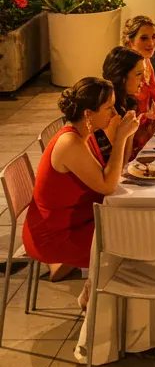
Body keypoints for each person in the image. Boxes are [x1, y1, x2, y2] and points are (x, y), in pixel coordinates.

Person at [23, 78, 139, 291]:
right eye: (109, 108)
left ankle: (99, 294)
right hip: (54, 236)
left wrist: (127, 137)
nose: (114, 113)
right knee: (132, 238)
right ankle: (101, 299)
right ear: (88, 114)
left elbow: (115, 173)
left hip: (78, 221)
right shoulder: (70, 143)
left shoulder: (85, 134)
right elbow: (107, 186)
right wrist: (120, 138)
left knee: (134, 224)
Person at [100, 46, 154, 158]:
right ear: (122, 78)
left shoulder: (127, 101)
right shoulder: (110, 111)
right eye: (139, 74)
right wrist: (130, 134)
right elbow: (124, 161)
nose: (144, 80)